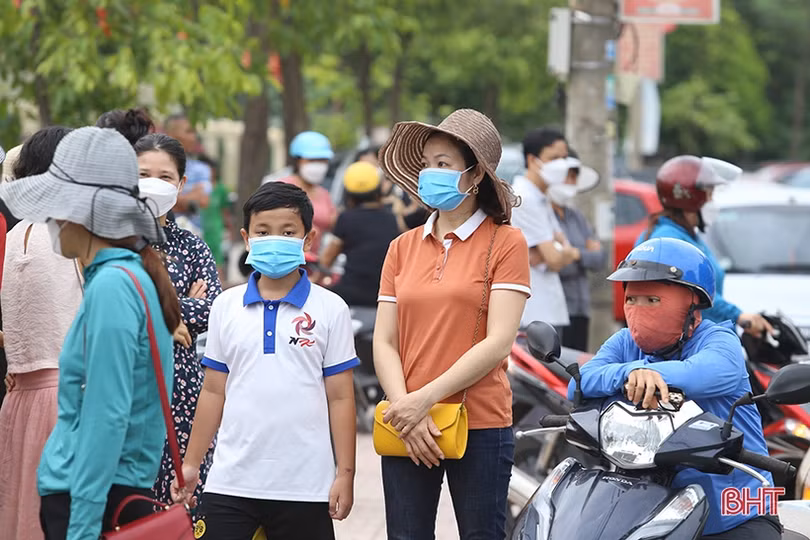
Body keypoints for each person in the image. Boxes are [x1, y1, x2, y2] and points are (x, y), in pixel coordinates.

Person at [0, 126, 177, 539]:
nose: (52, 218)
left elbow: (106, 417)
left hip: (92, 499)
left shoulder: (113, 286)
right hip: (104, 490)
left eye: (57, 205)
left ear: (82, 212)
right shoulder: (125, 277)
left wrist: (80, 528)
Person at [374, 109, 530, 539]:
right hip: (407, 424)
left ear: (475, 172)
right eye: (426, 163)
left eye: (442, 164)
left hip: (480, 422)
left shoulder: (506, 242)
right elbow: (385, 340)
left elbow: (499, 342)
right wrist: (405, 406)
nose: (430, 173)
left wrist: (423, 400)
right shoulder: (401, 247)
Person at [171, 182, 359, 540]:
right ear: (246, 237)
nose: (275, 239)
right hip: (230, 483)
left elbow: (341, 397)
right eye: (263, 231)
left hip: (305, 487)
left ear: (308, 239)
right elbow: (213, 391)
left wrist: (345, 475)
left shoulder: (331, 309)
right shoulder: (226, 305)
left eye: (288, 232)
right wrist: (192, 464)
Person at [570, 237, 781, 539]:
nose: (639, 310)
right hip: (660, 507)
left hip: (738, 508)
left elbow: (697, 374)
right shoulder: (624, 342)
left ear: (692, 304)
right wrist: (632, 371)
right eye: (632, 299)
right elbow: (579, 383)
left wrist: (642, 372)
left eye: (653, 300)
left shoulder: (721, 342)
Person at [0, 127, 85, 540]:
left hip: (19, 399)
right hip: (70, 396)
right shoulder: (71, 234)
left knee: (23, 517)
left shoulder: (17, 234)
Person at [133, 133, 222, 509]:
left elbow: (214, 310)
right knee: (132, 502)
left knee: (182, 502)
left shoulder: (192, 245)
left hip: (184, 387)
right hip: (133, 381)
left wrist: (159, 305)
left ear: (182, 184)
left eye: (165, 176)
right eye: (143, 174)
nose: (155, 184)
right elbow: (121, 305)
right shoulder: (113, 241)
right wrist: (180, 305)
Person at [637, 156, 772, 336]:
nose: (712, 201)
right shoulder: (670, 240)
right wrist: (738, 315)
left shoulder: (686, 235)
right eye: (709, 194)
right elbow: (696, 293)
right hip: (690, 343)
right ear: (691, 197)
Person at [511, 127, 580, 331]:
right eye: (554, 158)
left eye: (564, 158)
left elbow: (559, 249)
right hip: (531, 315)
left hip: (547, 310)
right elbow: (555, 258)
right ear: (532, 160)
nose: (561, 165)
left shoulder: (543, 198)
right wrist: (563, 251)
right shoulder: (524, 198)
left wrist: (557, 251)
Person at [546, 151, 606, 351]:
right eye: (568, 176)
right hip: (554, 308)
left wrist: (573, 253)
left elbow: (600, 259)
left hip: (580, 305)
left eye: (574, 177)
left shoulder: (577, 217)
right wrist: (582, 253)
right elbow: (551, 262)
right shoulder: (542, 215)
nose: (571, 182)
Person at [320, 162, 400, 306]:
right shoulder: (391, 218)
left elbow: (327, 260)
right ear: (378, 189)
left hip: (350, 294)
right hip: (384, 295)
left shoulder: (345, 218)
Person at [278, 131, 337, 258]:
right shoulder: (283, 187)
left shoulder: (324, 194)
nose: (318, 165)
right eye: (312, 160)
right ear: (298, 160)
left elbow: (335, 224)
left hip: (312, 262)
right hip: (285, 259)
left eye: (322, 161)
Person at [165, 113, 212, 232]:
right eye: (189, 131)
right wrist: (189, 198)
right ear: (171, 134)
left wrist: (169, 200)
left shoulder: (201, 169)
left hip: (192, 234)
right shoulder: (157, 166)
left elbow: (203, 200)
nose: (194, 137)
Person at [198, 154, 232, 283]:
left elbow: (225, 211)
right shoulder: (196, 187)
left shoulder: (221, 189)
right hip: (198, 228)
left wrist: (228, 229)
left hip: (215, 230)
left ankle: (219, 287)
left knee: (217, 260)